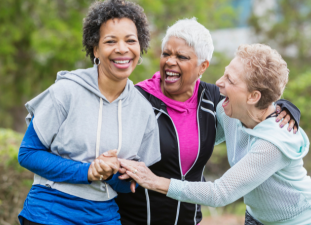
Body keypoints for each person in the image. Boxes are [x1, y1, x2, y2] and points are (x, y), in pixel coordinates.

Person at [112, 18, 300, 225]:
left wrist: (285, 107)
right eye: (166, 53)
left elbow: (221, 192)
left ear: (203, 66)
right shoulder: (137, 100)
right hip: (136, 219)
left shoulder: (219, 103)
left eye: (181, 56)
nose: (170, 61)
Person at [17, 1, 161, 225]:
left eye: (130, 40)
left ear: (140, 47)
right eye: (110, 41)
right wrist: (88, 171)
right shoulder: (65, 91)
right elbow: (28, 153)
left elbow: (129, 185)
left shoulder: (143, 111)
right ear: (95, 49)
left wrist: (112, 172)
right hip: (49, 213)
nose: (122, 49)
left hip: (104, 216)